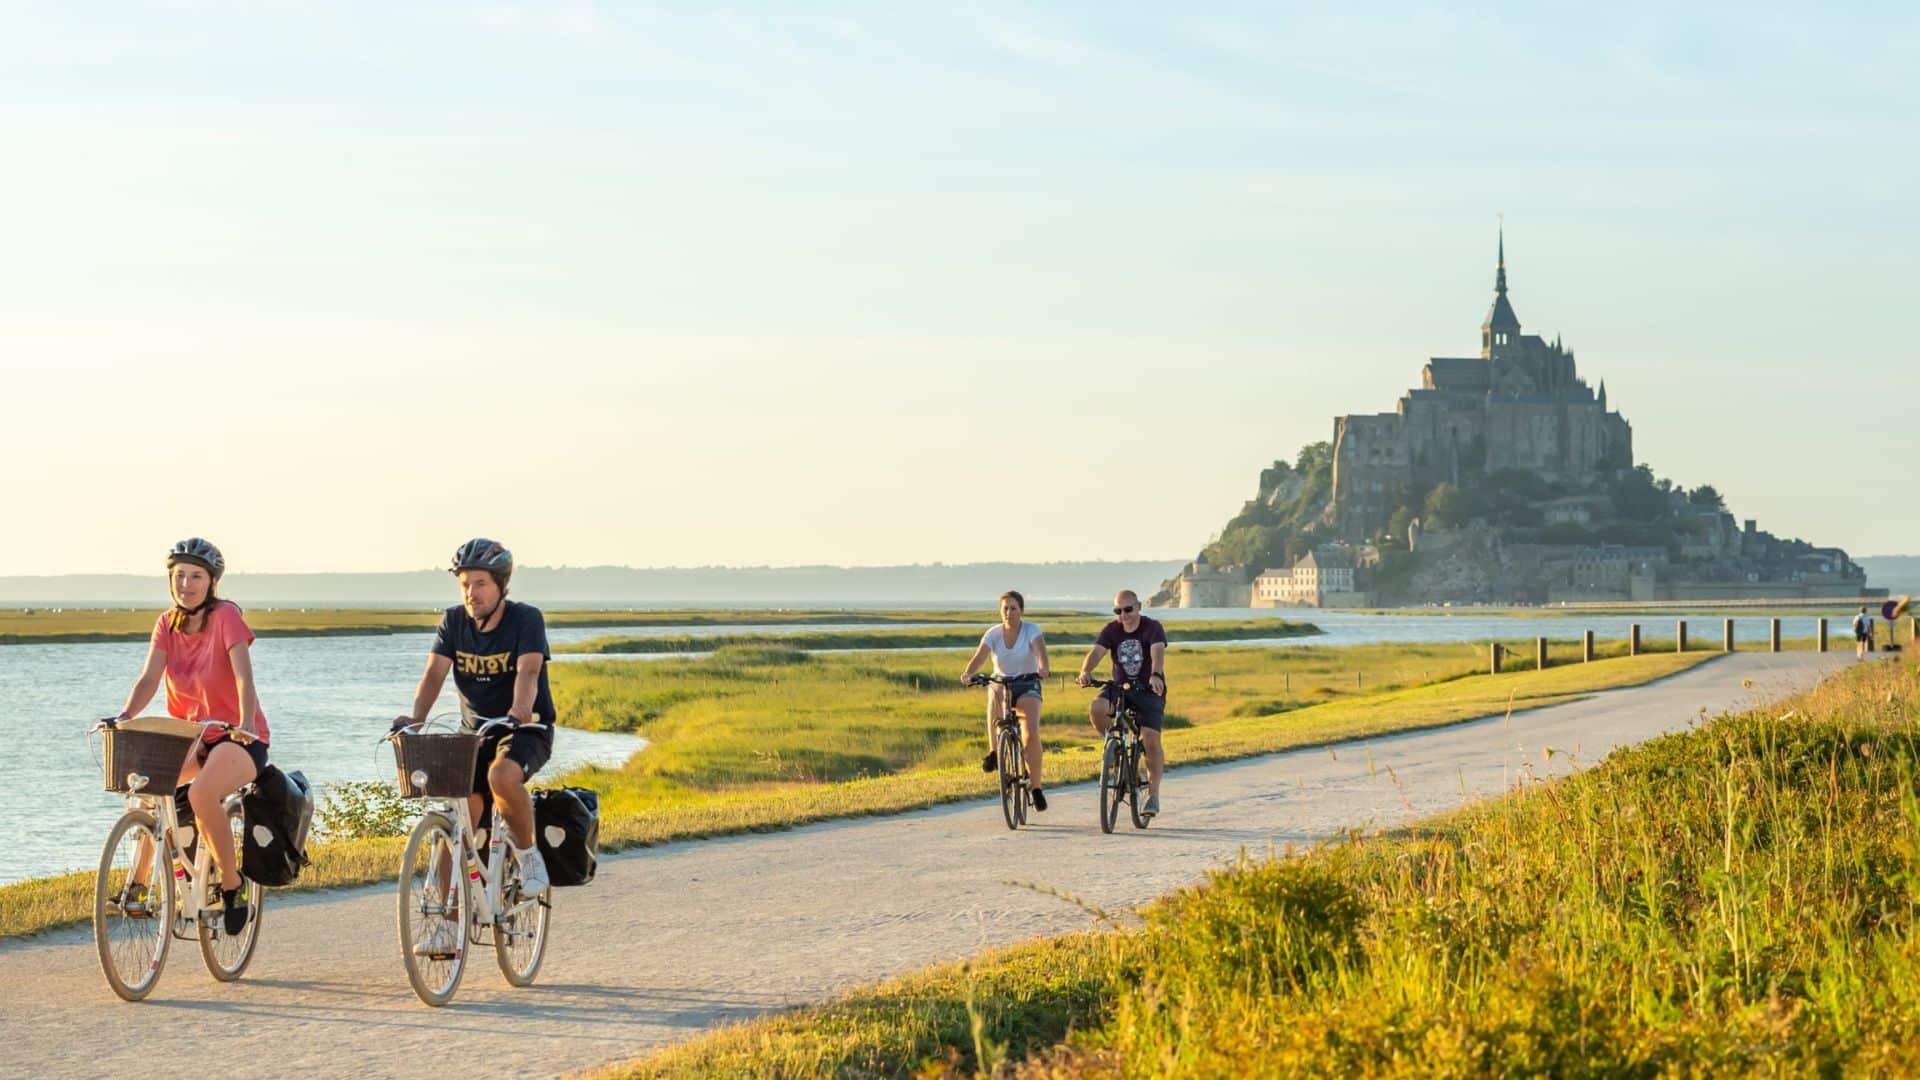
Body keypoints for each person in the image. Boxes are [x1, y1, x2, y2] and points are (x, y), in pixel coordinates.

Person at [394, 539, 555, 955]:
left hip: (525, 728)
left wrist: (521, 708)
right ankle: (447, 927)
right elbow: (434, 676)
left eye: (480, 583)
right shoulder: (453, 622)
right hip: (475, 732)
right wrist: (415, 719)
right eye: (465, 584)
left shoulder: (525, 619)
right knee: (462, 813)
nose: (471, 593)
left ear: (501, 585)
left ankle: (527, 853)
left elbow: (529, 669)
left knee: (501, 776)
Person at [111, 538, 269, 935]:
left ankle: (233, 887)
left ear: (211, 582)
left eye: (196, 576)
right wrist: (125, 716)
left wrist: (247, 721)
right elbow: (149, 678)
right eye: (179, 575)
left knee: (201, 795)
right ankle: (139, 886)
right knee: (150, 790)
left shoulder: (226, 616)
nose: (186, 584)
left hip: (237, 736)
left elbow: (242, 676)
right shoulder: (166, 623)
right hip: (192, 737)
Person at [1075, 590, 1168, 820]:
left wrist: (1155, 674)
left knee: (1151, 740)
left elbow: (1157, 652)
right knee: (1097, 708)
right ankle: (1116, 752)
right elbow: (1096, 652)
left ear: (1138, 607)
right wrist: (1085, 671)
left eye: (1128, 609)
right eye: (1119, 611)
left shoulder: (1152, 627)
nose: (1124, 615)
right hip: (1120, 688)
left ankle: (1153, 795)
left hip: (1148, 689)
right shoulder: (1111, 630)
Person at [960, 590, 1051, 812]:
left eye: (1013, 608)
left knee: (1030, 731)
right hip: (1001, 682)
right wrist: (968, 673)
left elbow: (1040, 651)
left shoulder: (1031, 630)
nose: (1009, 613)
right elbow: (980, 657)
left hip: (1027, 683)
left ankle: (1036, 788)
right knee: (993, 693)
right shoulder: (993, 633)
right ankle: (994, 751)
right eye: (1005, 609)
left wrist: (1043, 668)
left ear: (1021, 611)